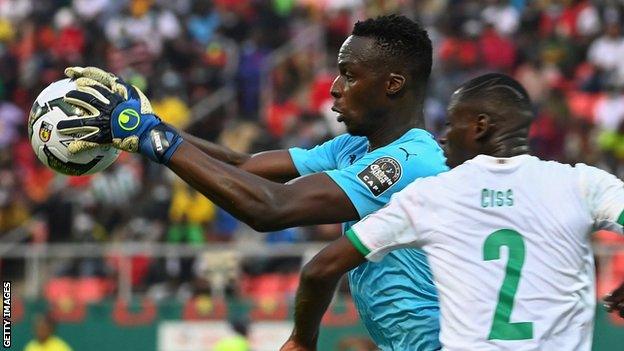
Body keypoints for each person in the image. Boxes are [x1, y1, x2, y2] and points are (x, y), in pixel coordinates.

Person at [56, 15, 448, 350]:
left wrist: (152, 138)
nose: (334, 86)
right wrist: (151, 124)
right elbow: (244, 166)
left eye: (349, 74)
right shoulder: (354, 146)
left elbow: (272, 208)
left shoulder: (410, 162)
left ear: (393, 84)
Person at [282, 73, 624, 350]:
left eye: (450, 125)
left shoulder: (431, 197)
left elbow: (320, 269)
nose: (443, 138)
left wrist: (301, 340)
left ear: (479, 126)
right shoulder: (580, 183)